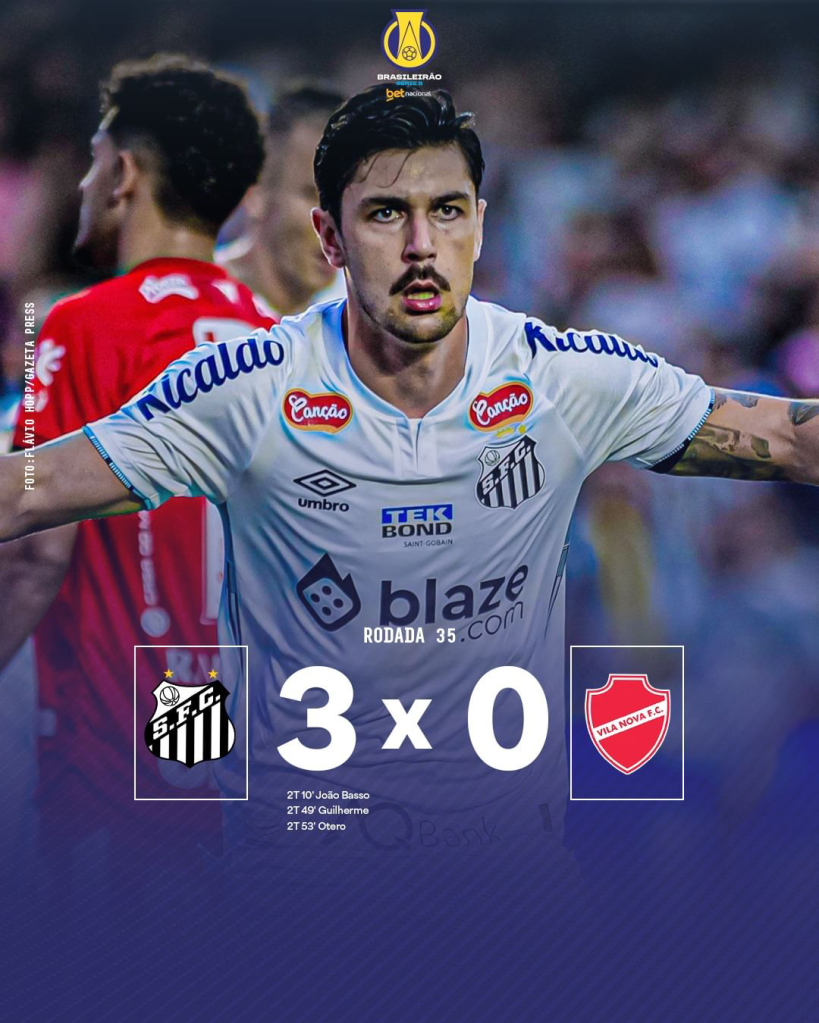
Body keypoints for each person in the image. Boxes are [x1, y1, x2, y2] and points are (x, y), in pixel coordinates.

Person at [1, 85, 817, 889]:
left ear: (480, 226)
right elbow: (29, 488)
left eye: (448, 211)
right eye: (386, 214)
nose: (422, 244)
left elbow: (786, 435)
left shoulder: (563, 379)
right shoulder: (246, 388)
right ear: (330, 238)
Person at [0, 54, 273, 889]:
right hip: (231, 734)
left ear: (123, 174)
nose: (82, 185)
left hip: (107, 749)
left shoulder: (84, 324)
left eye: (92, 161)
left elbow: (35, 545)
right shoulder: (277, 335)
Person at [218, 82, 345, 315]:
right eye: (317, 198)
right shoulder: (194, 303)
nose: (339, 224)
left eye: (348, 201)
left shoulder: (359, 318)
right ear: (256, 193)